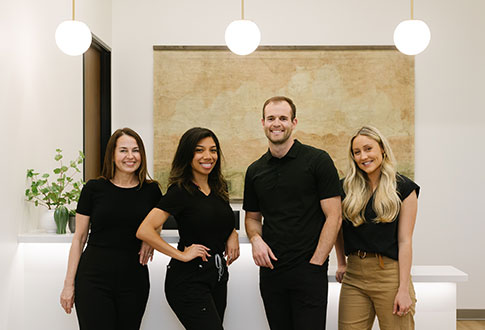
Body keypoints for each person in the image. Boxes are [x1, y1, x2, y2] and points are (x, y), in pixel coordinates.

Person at [243, 96, 342, 330]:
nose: (277, 123)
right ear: (263, 122)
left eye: (283, 118)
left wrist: (317, 262)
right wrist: (256, 239)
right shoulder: (255, 171)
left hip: (309, 270)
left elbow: (334, 216)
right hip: (272, 272)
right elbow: (252, 218)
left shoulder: (318, 160)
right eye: (271, 118)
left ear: (294, 122)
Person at [136, 127, 239, 330]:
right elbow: (145, 230)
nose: (208, 156)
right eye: (199, 150)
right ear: (187, 154)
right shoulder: (180, 191)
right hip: (188, 281)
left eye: (213, 150)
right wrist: (180, 255)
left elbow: (217, 219)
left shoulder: (219, 187)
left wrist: (232, 233)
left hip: (217, 277)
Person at [60, 128, 162, 330]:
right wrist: (68, 284)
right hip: (93, 278)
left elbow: (158, 221)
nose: (130, 156)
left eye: (136, 150)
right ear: (112, 155)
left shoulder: (151, 190)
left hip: (134, 279)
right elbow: (79, 238)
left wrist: (150, 237)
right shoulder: (93, 188)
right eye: (123, 150)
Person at [335, 125, 419, 330]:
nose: (363, 156)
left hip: (390, 274)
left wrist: (403, 289)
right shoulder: (344, 188)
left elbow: (405, 241)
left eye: (368, 148)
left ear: (382, 148)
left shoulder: (404, 188)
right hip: (354, 275)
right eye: (357, 152)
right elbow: (336, 228)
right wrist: (341, 263)